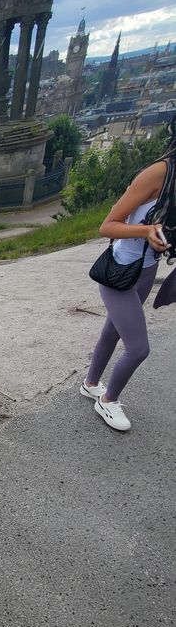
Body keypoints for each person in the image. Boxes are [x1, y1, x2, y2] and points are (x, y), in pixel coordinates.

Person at [81, 121, 176, 432]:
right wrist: (146, 230)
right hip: (120, 271)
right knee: (138, 348)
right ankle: (107, 400)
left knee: (113, 333)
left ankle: (91, 383)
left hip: (148, 270)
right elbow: (108, 225)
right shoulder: (159, 173)